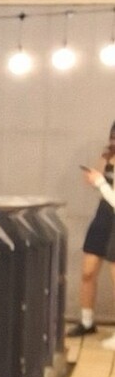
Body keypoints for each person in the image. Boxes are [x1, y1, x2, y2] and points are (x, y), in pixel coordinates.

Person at [75, 122, 115, 347]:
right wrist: (95, 178)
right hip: (104, 214)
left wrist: (99, 182)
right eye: (112, 137)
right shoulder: (107, 156)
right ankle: (87, 321)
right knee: (88, 271)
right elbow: (97, 181)